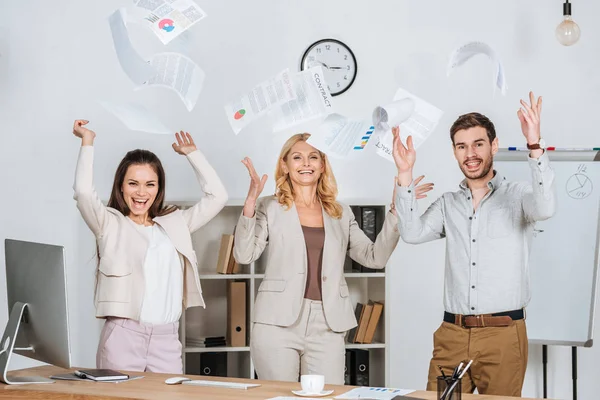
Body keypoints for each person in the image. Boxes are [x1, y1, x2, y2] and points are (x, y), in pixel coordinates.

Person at [233, 133, 433, 384]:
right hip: (276, 323)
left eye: (313, 157)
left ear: (322, 165)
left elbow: (375, 258)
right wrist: (250, 204)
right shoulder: (268, 206)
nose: (306, 163)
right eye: (297, 157)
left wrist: (395, 211)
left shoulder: (340, 213)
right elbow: (244, 254)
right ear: (284, 165)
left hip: (328, 323)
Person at [391, 92, 556, 396]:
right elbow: (411, 233)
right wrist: (405, 173)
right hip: (452, 334)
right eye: (461, 146)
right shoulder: (447, 204)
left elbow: (545, 208)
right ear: (454, 152)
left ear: (493, 145)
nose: (470, 153)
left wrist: (535, 144)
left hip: (503, 335)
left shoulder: (518, 195)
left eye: (478, 144)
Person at [72, 119, 228, 373]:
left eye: (150, 184)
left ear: (159, 188)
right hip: (123, 337)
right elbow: (83, 193)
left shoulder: (176, 223)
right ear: (121, 186)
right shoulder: (109, 224)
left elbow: (217, 197)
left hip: (166, 339)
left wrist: (193, 155)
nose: (141, 192)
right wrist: (87, 141)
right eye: (133, 183)